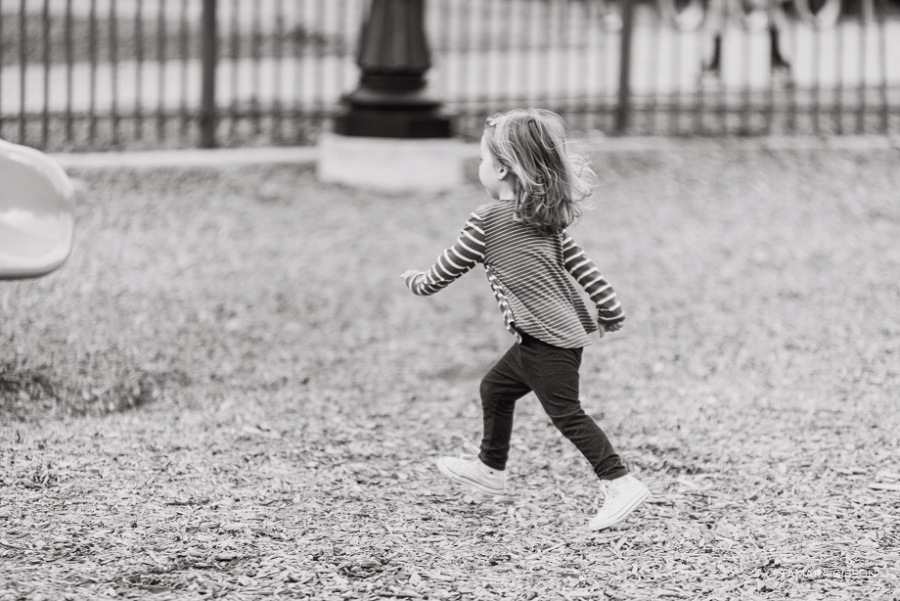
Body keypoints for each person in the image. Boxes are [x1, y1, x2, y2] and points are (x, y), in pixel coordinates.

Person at [399, 108, 649, 531]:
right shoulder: (545, 219)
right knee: (495, 389)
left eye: (482, 160)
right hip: (550, 338)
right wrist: (611, 311)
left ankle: (619, 481)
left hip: (545, 340)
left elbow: (448, 268)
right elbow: (587, 271)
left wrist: (419, 283)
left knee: (567, 414)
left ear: (500, 168)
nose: (479, 167)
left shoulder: (487, 220)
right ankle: (490, 468)